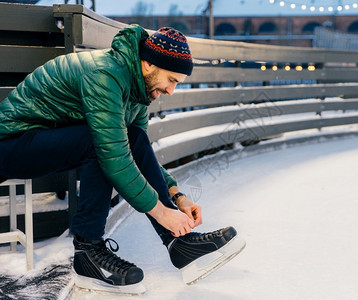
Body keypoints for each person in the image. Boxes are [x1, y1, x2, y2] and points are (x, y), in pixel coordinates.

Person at [0, 25, 245, 294]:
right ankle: (88, 253)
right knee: (101, 146)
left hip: (45, 141)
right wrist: (163, 214)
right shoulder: (105, 75)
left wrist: (176, 195)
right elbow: (114, 155)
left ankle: (180, 245)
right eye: (171, 80)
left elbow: (138, 152)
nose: (171, 90)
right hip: (11, 144)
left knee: (131, 139)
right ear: (149, 64)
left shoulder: (138, 91)